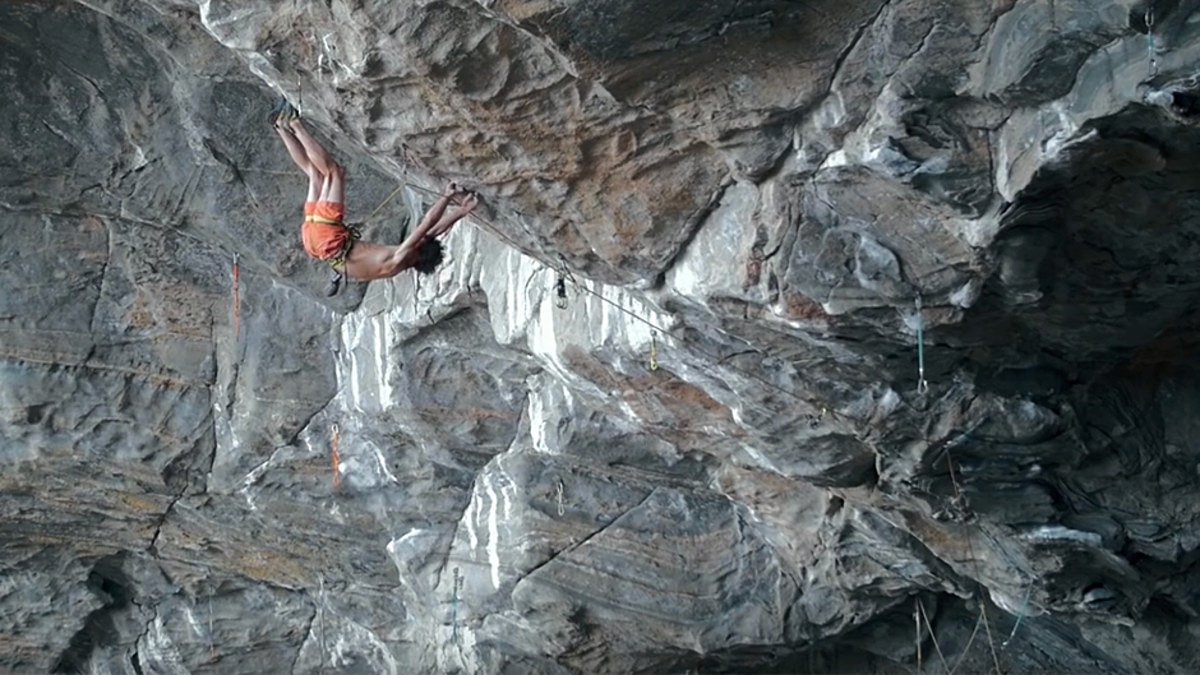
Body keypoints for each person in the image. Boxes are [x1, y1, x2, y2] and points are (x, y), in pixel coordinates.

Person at [269, 99, 479, 295]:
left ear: (419, 254)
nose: (418, 239)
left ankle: (294, 122)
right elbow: (434, 231)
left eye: (420, 242)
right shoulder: (396, 265)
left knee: (334, 172)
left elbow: (428, 223)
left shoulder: (399, 258)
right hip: (315, 244)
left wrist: (448, 198)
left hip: (328, 238)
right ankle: (281, 127)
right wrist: (460, 212)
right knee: (315, 175)